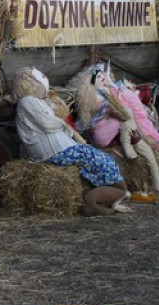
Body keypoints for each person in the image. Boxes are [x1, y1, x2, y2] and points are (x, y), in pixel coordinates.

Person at [11, 66, 130, 216]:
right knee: (101, 160)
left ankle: (102, 196)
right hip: (54, 151)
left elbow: (52, 122)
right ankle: (92, 201)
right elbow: (48, 124)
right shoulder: (27, 101)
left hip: (60, 148)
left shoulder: (36, 101)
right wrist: (63, 124)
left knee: (101, 158)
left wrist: (62, 124)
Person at [73, 62, 159, 195]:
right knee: (146, 144)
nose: (103, 78)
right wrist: (117, 89)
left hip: (109, 131)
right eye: (99, 76)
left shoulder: (107, 92)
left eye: (104, 75)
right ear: (91, 81)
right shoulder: (100, 96)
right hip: (108, 134)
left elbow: (127, 109)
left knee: (156, 143)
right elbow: (123, 111)